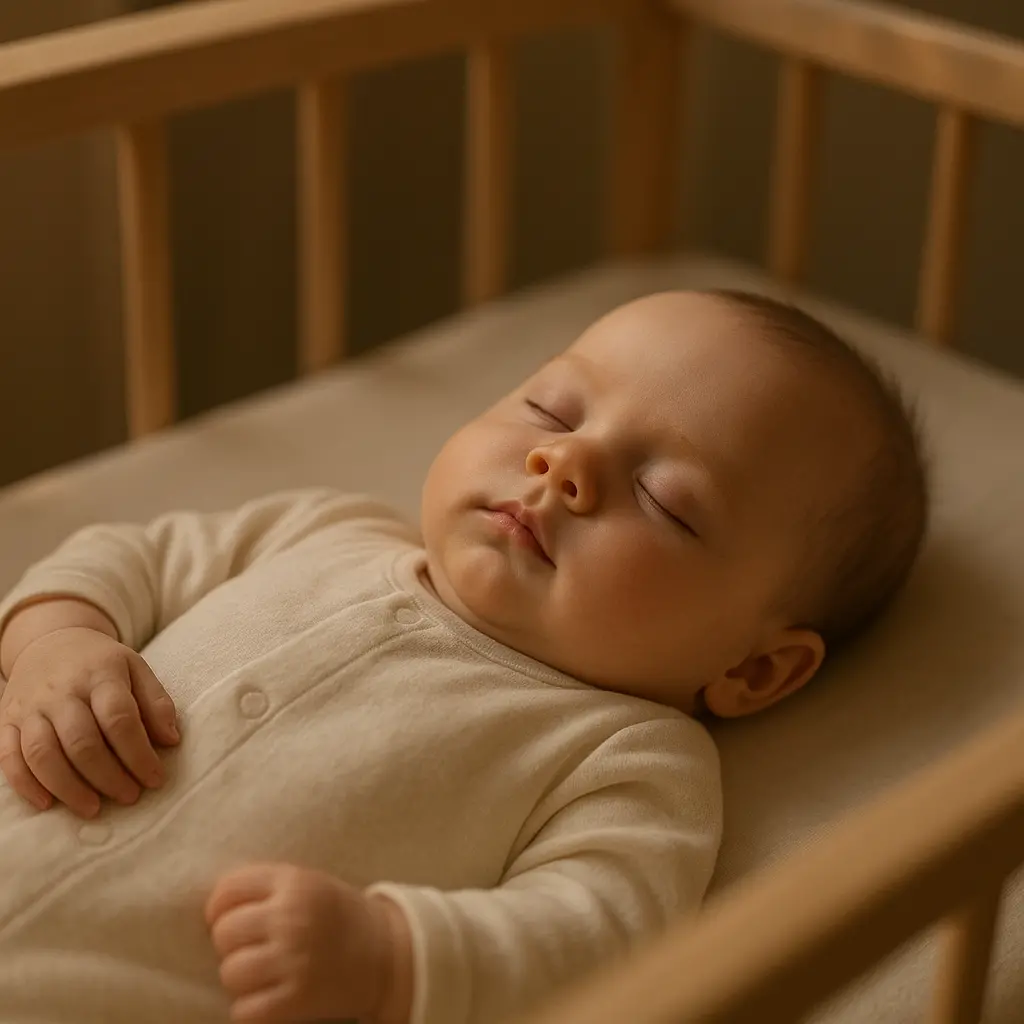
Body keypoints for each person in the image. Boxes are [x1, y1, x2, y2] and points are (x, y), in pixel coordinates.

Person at [0, 289, 928, 1024]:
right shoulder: (329, 526)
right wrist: (58, 639)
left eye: (664, 500)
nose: (565, 462)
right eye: (550, 407)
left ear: (753, 671)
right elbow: (136, 556)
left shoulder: (629, 758)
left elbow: (597, 935)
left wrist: (395, 956)